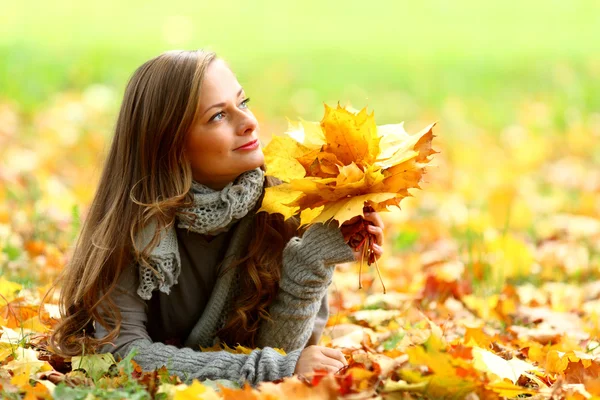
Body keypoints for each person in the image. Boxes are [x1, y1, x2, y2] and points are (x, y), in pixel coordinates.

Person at [49, 49, 385, 386]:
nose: (249, 122)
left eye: (243, 102)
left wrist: (311, 263)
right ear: (169, 143)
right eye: (218, 117)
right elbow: (122, 354)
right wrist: (273, 368)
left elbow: (283, 355)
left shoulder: (287, 206)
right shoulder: (131, 225)